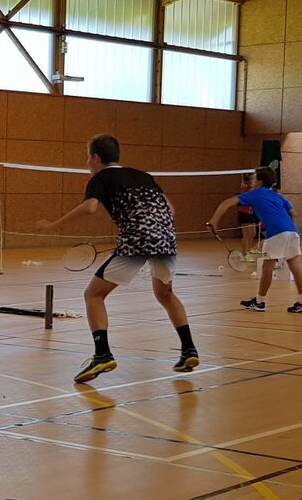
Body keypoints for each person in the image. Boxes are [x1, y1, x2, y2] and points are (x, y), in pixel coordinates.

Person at [37, 134, 198, 383]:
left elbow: (90, 208)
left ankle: (102, 354)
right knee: (165, 293)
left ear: (96, 158)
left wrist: (53, 225)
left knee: (94, 294)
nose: (87, 163)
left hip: (137, 241)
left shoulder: (100, 178)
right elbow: (171, 209)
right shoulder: (144, 176)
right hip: (166, 239)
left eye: (87, 157)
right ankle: (189, 350)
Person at [210, 167, 302, 314]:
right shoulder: (278, 196)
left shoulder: (254, 194)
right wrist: (287, 229)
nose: (252, 181)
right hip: (292, 231)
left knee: (267, 267)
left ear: (260, 181)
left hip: (276, 233)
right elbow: (294, 214)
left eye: (254, 178)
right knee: (294, 266)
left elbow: (227, 203)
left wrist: (214, 221)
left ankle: (260, 302)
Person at [235, 173, 260, 261]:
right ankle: (245, 254)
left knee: (253, 233)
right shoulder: (245, 189)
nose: (254, 180)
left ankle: (247, 250)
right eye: (252, 178)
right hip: (244, 214)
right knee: (246, 235)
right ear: (248, 180)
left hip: (250, 213)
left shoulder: (253, 189)